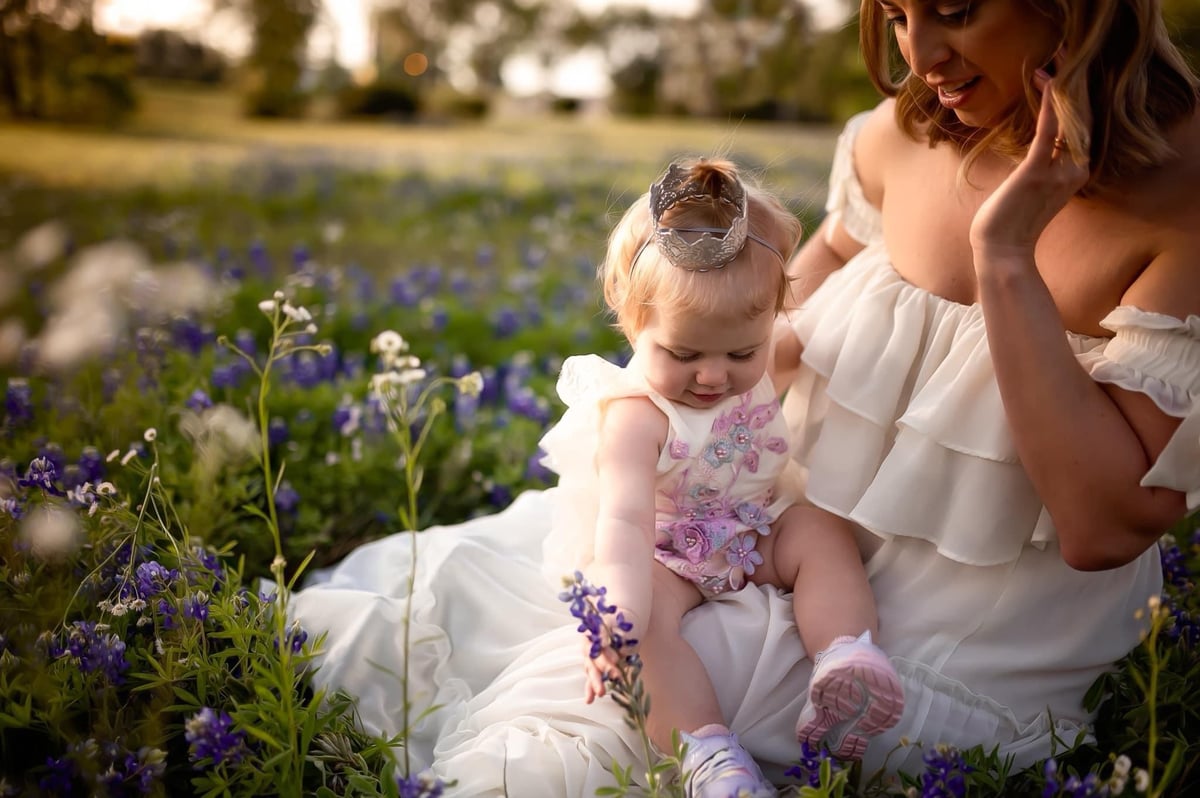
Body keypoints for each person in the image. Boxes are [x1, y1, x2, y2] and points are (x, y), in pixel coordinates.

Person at [288, 0, 1200, 793]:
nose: (920, 56)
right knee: (506, 595)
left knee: (613, 692)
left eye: (956, 10)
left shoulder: (1181, 195)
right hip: (771, 504)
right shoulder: (903, 134)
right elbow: (812, 271)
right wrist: (713, 370)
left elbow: (1104, 528)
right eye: (895, 16)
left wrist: (1005, 260)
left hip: (968, 609)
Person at [537, 157, 904, 797]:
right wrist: (615, 619)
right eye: (682, 355)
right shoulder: (636, 416)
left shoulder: (762, 348)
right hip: (663, 551)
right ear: (632, 322)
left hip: (751, 527)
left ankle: (845, 658)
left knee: (820, 532)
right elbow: (622, 523)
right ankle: (708, 753)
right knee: (647, 633)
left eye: (742, 353)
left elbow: (830, 322)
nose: (714, 376)